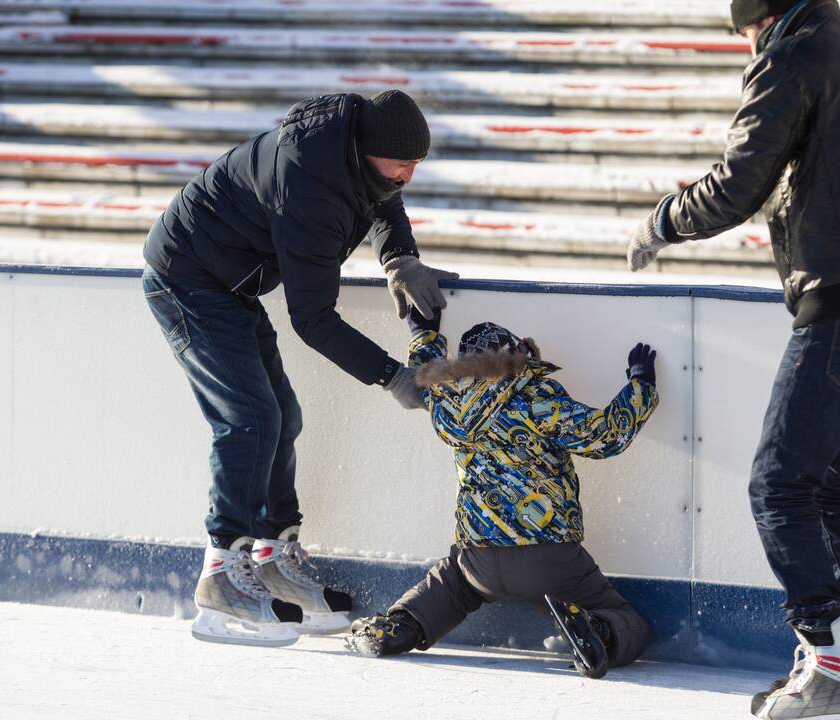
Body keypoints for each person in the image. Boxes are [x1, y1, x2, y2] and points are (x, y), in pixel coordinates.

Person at [626, 1, 840, 718]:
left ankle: (827, 661)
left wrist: (661, 222)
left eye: (746, 33)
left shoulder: (793, 57)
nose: (747, 46)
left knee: (778, 487)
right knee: (828, 483)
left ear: (763, 18)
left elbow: (737, 185)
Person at [141, 89, 460, 646]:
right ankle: (221, 573)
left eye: (418, 164)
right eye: (402, 163)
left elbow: (384, 199)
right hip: (186, 280)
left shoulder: (355, 155)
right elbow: (312, 319)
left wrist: (399, 257)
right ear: (367, 150)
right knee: (249, 418)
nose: (410, 174)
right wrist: (392, 376)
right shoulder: (309, 184)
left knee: (281, 416)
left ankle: (269, 559)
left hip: (227, 282)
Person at [346, 306, 659, 678]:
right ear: (516, 355)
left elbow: (423, 374)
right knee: (630, 623)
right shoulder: (537, 397)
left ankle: (401, 625)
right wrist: (641, 386)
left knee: (453, 583)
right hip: (548, 556)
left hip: (478, 558)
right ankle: (599, 631)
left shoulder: (447, 401)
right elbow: (605, 437)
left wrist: (423, 332)